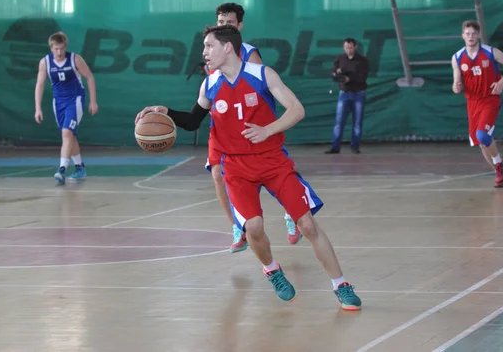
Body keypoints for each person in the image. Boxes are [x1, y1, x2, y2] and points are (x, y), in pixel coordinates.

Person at [135, 25, 362, 310]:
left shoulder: (262, 74)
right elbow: (193, 121)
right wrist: (164, 112)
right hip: (237, 167)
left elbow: (297, 109)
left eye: (208, 46)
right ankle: (272, 270)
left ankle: (341, 284)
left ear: (227, 47)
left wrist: (268, 130)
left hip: (273, 161)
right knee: (253, 227)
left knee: (307, 224)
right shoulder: (210, 84)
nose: (204, 52)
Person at [209, 3, 298, 254]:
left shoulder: (249, 54)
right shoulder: (212, 51)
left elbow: (264, 92)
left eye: (229, 23)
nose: (224, 26)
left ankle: (293, 212)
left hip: (250, 126)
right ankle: (238, 226)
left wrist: (267, 127)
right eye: (220, 21)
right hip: (222, 127)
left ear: (239, 26)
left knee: (271, 174)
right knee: (217, 174)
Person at [34, 32, 99, 185]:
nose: (59, 52)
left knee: (66, 132)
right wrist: (38, 108)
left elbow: (89, 77)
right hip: (58, 102)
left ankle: (61, 170)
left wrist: (93, 101)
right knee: (70, 135)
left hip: (75, 99)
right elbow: (40, 84)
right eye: (56, 49)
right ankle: (79, 168)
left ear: (66, 47)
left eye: (62, 48)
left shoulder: (75, 59)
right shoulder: (45, 63)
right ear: (51, 48)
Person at [452, 20, 503, 188]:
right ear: (463, 35)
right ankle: (500, 172)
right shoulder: (457, 58)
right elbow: (457, 84)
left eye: (473, 33)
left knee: (483, 136)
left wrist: (502, 82)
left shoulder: (491, 52)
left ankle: (499, 164)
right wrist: (456, 86)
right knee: (481, 142)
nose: (470, 36)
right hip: (472, 102)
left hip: (490, 99)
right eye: (467, 33)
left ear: (478, 35)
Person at [325, 38, 369, 154]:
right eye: (346, 48)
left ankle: (355, 147)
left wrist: (349, 78)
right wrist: (336, 73)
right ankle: (335, 147)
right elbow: (333, 72)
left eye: (350, 47)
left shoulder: (362, 60)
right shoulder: (340, 59)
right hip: (344, 93)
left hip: (358, 93)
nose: (348, 50)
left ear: (355, 47)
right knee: (339, 121)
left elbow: (363, 76)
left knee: (357, 122)